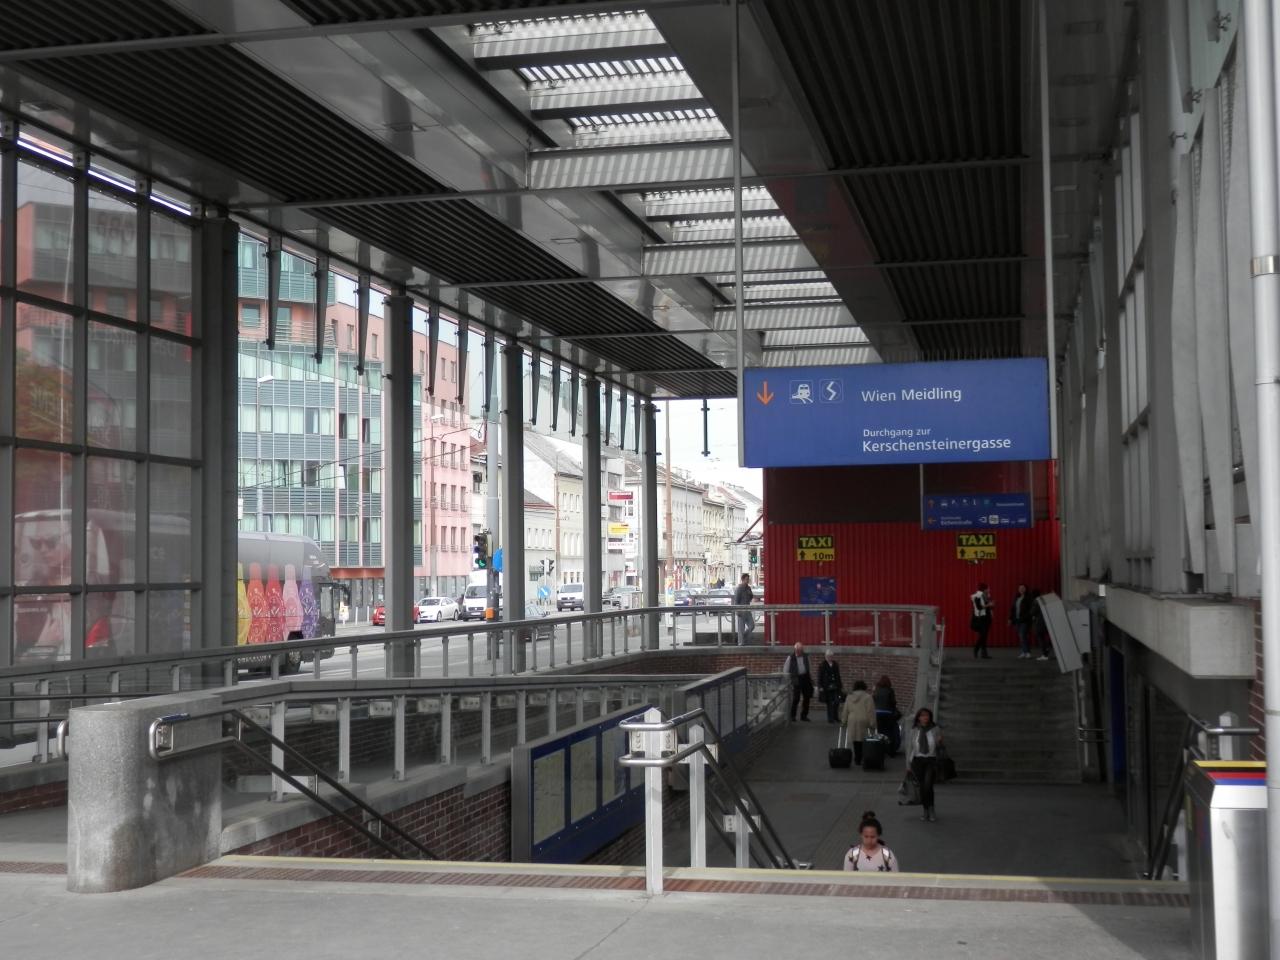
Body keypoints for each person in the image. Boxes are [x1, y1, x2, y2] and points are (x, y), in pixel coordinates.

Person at [907, 707, 944, 822]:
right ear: (918, 717)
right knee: (922, 787)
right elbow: (910, 748)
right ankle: (925, 810)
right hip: (917, 761)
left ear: (930, 717)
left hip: (931, 760)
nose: (925, 717)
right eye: (922, 715)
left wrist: (940, 742)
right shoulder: (914, 730)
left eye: (927, 715)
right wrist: (908, 766)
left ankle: (931, 809)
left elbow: (939, 747)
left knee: (928, 785)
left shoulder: (935, 729)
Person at [840, 680, 877, 764]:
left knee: (855, 739)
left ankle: (857, 758)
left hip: (852, 720)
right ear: (864, 687)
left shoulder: (849, 697)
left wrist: (843, 721)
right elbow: (870, 711)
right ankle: (863, 756)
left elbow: (845, 710)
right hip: (863, 719)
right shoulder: (868, 697)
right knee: (863, 739)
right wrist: (872, 723)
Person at [782, 642, 813, 722]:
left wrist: (810, 677)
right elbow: (785, 669)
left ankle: (804, 716)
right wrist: (789, 680)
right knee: (796, 698)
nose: (799, 652)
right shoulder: (790, 657)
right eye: (798, 650)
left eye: (801, 650)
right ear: (795, 650)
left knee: (807, 697)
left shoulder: (806, 656)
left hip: (805, 678)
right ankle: (793, 716)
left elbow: (809, 667)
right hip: (796, 678)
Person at [872, 674, 901, 755]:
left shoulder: (876, 690)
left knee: (880, 732)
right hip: (888, 714)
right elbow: (893, 702)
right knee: (889, 732)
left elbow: (873, 700)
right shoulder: (890, 690)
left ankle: (880, 749)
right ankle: (890, 750)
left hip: (877, 713)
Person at [817, 651, 844, 724]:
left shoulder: (835, 664)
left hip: (835, 686)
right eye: (828, 656)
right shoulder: (822, 665)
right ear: (825, 657)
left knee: (837, 701)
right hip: (827, 686)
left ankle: (835, 717)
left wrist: (840, 685)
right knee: (830, 703)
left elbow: (838, 676)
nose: (830, 658)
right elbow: (819, 677)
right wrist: (820, 686)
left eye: (831, 656)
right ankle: (830, 718)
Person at [970, 582, 993, 659]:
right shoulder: (978, 596)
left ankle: (984, 654)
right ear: (984, 589)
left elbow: (988, 607)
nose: (989, 589)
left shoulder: (986, 596)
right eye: (988, 588)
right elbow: (979, 607)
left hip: (987, 618)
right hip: (981, 618)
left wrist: (991, 606)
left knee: (984, 636)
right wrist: (989, 605)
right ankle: (976, 649)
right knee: (983, 635)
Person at [1010, 583, 1032, 658]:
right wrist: (1010, 618)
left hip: (1025, 620)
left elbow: (1030, 610)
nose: (1021, 589)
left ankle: (1027, 652)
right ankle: (1023, 652)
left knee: (1023, 635)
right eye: (1020, 588)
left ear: (1025, 589)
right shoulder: (1017, 598)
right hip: (1017, 620)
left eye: (1023, 588)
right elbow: (1013, 609)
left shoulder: (1028, 598)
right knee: (1021, 636)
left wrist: (1026, 617)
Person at [1030, 589, 1053, 661]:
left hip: (1039, 622)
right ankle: (1047, 648)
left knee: (1040, 638)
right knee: (1044, 637)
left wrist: (1031, 612)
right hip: (1045, 621)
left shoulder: (1036, 601)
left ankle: (1045, 654)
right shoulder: (1043, 600)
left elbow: (1033, 612)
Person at [733, 573, 754, 646]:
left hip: (748, 610)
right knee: (741, 628)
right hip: (741, 610)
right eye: (746, 579)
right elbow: (736, 600)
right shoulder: (739, 589)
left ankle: (743, 637)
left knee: (752, 626)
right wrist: (737, 610)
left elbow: (751, 597)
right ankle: (740, 643)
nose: (747, 581)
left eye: (748, 579)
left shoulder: (748, 588)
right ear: (742, 580)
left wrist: (750, 594)